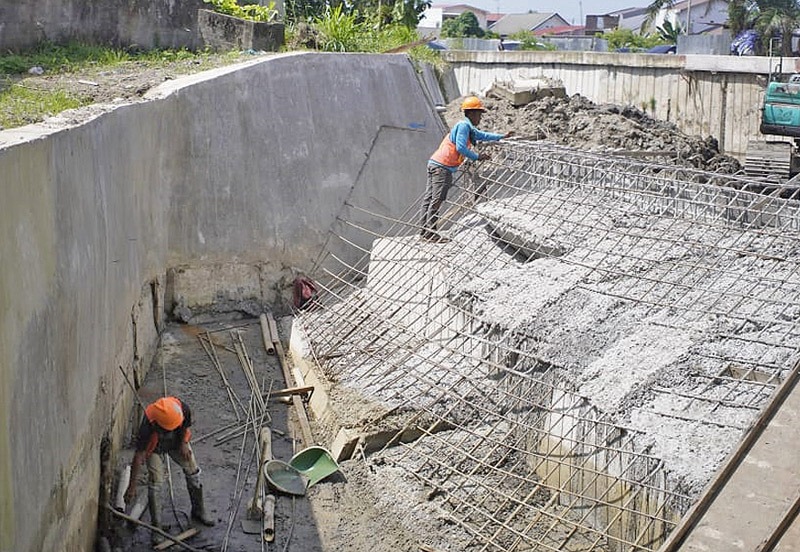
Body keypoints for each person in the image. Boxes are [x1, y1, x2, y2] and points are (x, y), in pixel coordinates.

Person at [420, 96, 512, 242]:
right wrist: (477, 156)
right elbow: (460, 147)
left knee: (429, 198)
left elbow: (483, 135)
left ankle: (424, 232)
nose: (480, 118)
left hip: (435, 163)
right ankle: (431, 233)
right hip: (442, 166)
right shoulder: (463, 126)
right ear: (472, 113)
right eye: (479, 114)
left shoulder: (468, 127)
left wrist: (501, 136)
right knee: (436, 199)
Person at [124, 396, 215, 543]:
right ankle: (157, 528)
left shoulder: (182, 409)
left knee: (193, 470)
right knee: (156, 481)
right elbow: (139, 456)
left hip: (177, 443)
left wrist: (184, 443)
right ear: (158, 426)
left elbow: (185, 426)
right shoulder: (147, 424)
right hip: (154, 448)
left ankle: (199, 510)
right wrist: (132, 486)